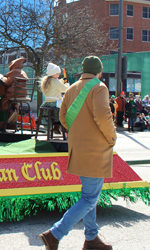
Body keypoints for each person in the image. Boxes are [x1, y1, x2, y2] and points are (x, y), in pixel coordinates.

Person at [39, 56, 116, 250]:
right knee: (90, 198)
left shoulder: (72, 88)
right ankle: (55, 234)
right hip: (95, 149)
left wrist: (79, 131)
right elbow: (102, 115)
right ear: (99, 70)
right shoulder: (99, 87)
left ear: (83, 70)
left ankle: (91, 238)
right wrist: (112, 137)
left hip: (78, 148)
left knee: (88, 196)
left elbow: (63, 117)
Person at [39, 63, 69, 134]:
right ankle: (61, 127)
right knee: (65, 109)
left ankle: (56, 128)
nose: (58, 75)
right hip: (55, 103)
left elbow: (56, 85)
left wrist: (62, 81)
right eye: (57, 74)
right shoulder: (55, 81)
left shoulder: (46, 81)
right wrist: (67, 84)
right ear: (53, 73)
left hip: (47, 104)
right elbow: (64, 89)